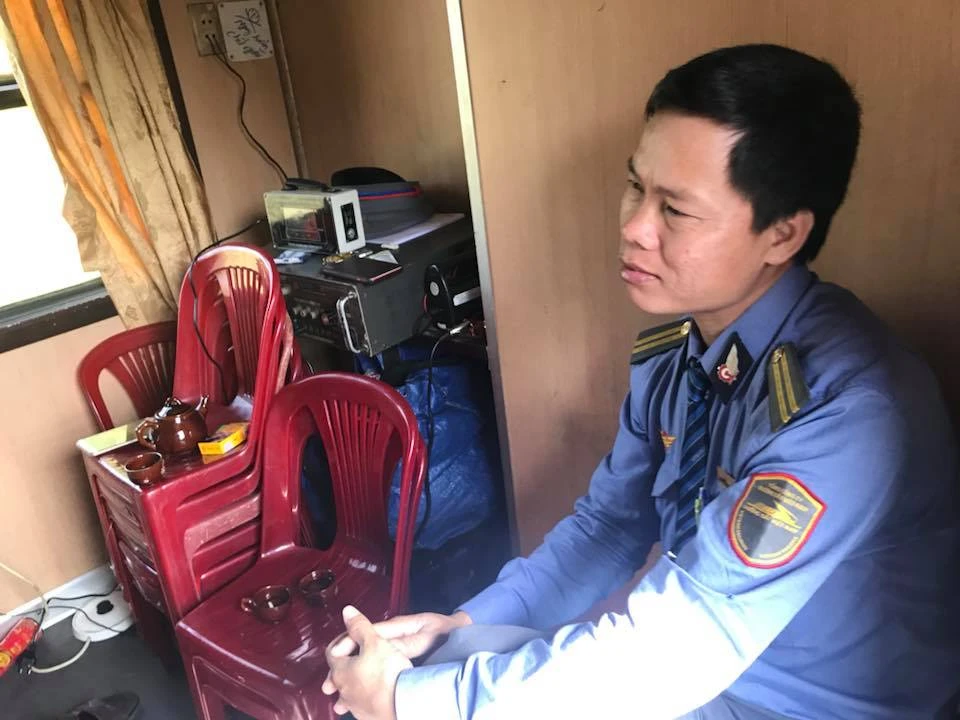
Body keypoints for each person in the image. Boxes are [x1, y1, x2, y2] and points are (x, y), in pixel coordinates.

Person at [321, 43, 960, 719]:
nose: (633, 228)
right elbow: (608, 527)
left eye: (675, 210)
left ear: (781, 235)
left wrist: (413, 703)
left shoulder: (846, 411)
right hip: (698, 677)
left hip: (796, 705)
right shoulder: (677, 357)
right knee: (449, 661)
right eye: (636, 187)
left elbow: (682, 644)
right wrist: (465, 626)